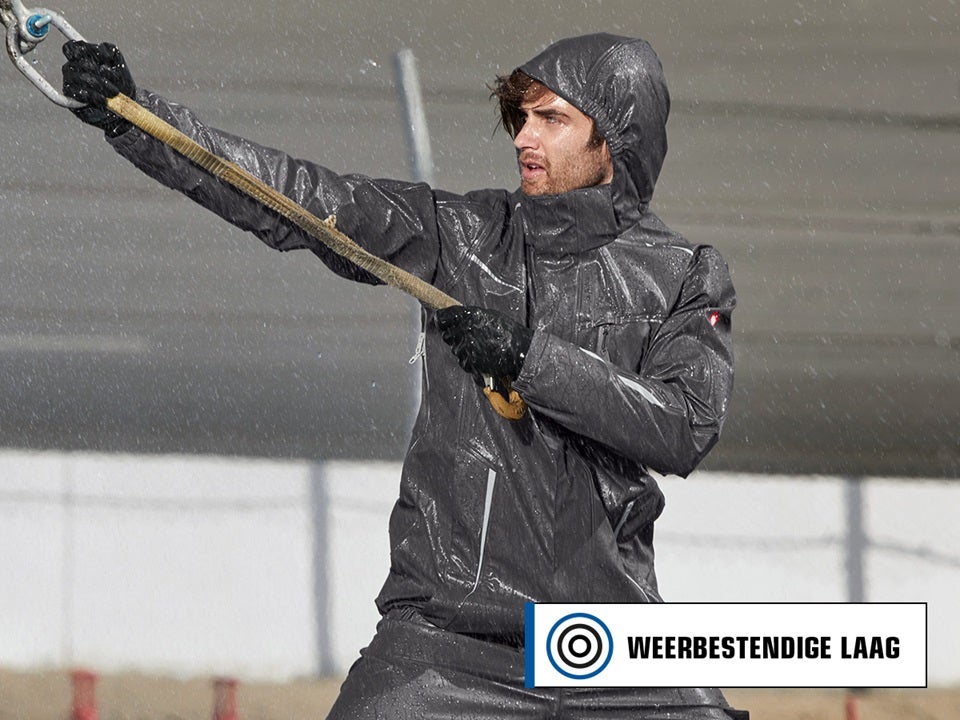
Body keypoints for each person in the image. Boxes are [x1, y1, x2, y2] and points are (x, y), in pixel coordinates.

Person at [62, 32, 745, 719]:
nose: (523, 137)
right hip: (446, 641)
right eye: (521, 117)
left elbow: (683, 427)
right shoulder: (461, 234)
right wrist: (134, 118)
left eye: (553, 119)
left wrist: (526, 360)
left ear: (616, 140)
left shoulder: (685, 274)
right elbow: (300, 200)